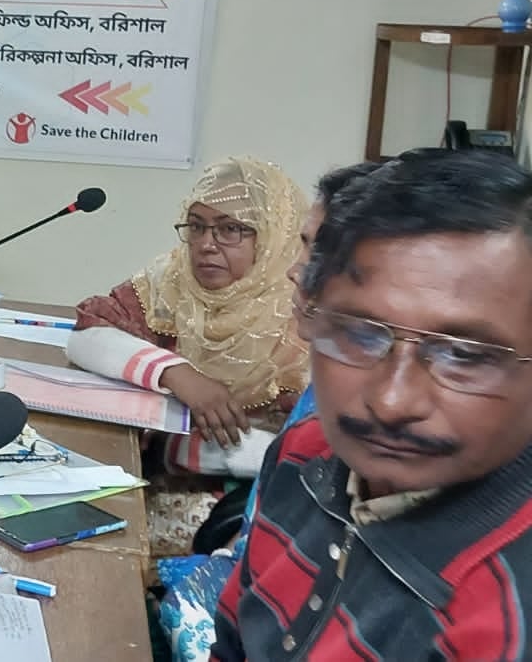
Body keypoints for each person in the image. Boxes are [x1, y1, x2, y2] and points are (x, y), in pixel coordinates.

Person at [214, 149, 532, 660]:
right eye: (359, 333)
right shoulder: (304, 451)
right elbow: (235, 642)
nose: (390, 401)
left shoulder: (507, 619)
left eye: (463, 354)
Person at [154, 159, 379, 662]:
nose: (296, 268)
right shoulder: (332, 369)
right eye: (197, 227)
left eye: (232, 229)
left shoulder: (372, 396)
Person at [67, 156, 309, 557]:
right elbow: (86, 336)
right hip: (149, 478)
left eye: (231, 229)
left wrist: (189, 448)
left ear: (273, 236)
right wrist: (177, 374)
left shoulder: (306, 312)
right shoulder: (171, 280)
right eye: (196, 226)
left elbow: (316, 455)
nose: (206, 244)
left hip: (254, 506)